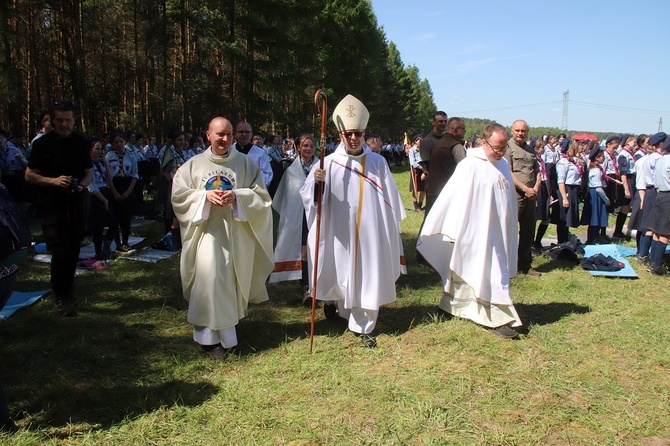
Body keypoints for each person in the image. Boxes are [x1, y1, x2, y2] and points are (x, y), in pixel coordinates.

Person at [300, 94, 406, 348]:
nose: (353, 138)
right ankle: (340, 307)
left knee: (367, 273)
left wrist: (389, 228)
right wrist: (317, 183)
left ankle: (364, 324)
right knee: (340, 270)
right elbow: (309, 198)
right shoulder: (329, 162)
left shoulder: (378, 163)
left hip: (370, 233)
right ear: (341, 136)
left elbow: (390, 200)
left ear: (363, 133)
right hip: (339, 230)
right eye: (348, 134)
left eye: (357, 133)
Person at [171, 117, 273, 359]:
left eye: (228, 134)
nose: (225, 139)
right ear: (208, 135)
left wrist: (237, 196)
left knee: (228, 281)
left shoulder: (245, 164)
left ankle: (227, 335)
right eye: (220, 134)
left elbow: (262, 197)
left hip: (235, 234)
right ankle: (207, 337)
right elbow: (178, 196)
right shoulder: (193, 166)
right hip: (206, 233)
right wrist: (203, 198)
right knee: (210, 278)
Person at [416, 123, 522, 339]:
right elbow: (455, 197)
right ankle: (497, 318)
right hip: (476, 231)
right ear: (484, 142)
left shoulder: (501, 164)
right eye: (496, 148)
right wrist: (454, 227)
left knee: (489, 269)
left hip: (498, 230)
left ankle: (455, 306)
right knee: (483, 270)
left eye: (503, 148)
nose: (500, 153)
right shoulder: (470, 165)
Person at [25, 100, 92, 316]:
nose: (64, 124)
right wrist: (54, 181)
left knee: (73, 247)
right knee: (60, 249)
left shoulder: (81, 143)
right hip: (52, 204)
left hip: (76, 201)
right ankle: (60, 295)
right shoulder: (42, 144)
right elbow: (29, 175)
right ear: (53, 121)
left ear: (74, 121)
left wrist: (81, 185)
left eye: (68, 120)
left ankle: (68, 291)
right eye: (60, 120)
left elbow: (89, 173)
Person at [269, 133, 319, 305]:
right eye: (305, 146)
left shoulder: (322, 167)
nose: (308, 149)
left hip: (318, 214)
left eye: (311, 146)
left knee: (319, 248)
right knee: (304, 249)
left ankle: (321, 283)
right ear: (298, 147)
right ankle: (306, 285)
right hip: (300, 217)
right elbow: (285, 197)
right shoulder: (292, 171)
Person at [504, 119, 541, 277]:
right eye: (517, 130)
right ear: (512, 131)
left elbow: (537, 172)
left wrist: (535, 188)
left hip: (530, 195)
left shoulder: (530, 150)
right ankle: (506, 266)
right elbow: (508, 171)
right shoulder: (507, 148)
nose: (520, 133)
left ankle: (525, 265)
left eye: (523, 131)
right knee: (509, 231)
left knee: (528, 231)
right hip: (515, 194)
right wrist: (525, 189)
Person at [106, 131, 138, 254]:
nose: (119, 144)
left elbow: (135, 175)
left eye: (121, 142)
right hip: (114, 186)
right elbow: (108, 176)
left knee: (126, 217)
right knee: (115, 217)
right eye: (116, 142)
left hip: (127, 185)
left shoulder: (131, 155)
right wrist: (114, 192)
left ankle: (125, 242)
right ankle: (117, 243)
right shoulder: (109, 156)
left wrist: (127, 192)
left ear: (125, 142)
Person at [87, 137, 118, 260]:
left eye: (101, 149)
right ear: (90, 149)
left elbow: (110, 178)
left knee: (114, 223)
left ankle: (107, 244)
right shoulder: (88, 164)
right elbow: (91, 186)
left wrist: (105, 163)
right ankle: (98, 251)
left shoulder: (99, 162)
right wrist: (104, 200)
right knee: (98, 226)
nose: (100, 151)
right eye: (97, 149)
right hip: (96, 196)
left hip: (105, 191)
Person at [647, 136, 670, 275]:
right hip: (668, 195)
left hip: (660, 194)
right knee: (665, 232)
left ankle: (654, 261)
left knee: (657, 231)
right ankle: (657, 267)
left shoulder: (661, 159)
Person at [580, 146, 610, 245]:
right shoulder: (596, 170)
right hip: (596, 194)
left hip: (594, 193)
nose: (604, 158)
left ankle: (594, 238)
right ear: (597, 158)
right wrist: (606, 200)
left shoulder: (596, 168)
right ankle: (591, 239)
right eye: (602, 157)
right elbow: (598, 187)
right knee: (595, 218)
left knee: (595, 219)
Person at [233, 121, 273, 187]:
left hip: (253, 191)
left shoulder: (260, 153)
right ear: (235, 134)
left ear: (251, 134)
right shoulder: (229, 151)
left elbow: (268, 175)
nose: (244, 134)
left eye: (247, 132)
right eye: (241, 132)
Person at [407, 134, 425, 211]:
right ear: (415, 141)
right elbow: (413, 162)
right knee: (415, 188)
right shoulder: (412, 150)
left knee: (423, 189)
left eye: (422, 141)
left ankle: (420, 204)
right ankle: (416, 206)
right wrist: (421, 168)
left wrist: (425, 169)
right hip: (416, 170)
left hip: (423, 169)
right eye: (419, 141)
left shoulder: (423, 149)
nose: (420, 142)